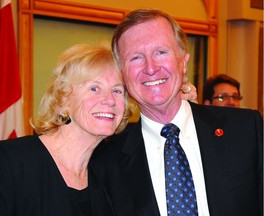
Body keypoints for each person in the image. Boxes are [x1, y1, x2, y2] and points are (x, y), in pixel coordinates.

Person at [0, 42, 196, 216]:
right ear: (63, 99)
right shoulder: (6, 162)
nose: (109, 100)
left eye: (118, 91)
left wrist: (173, 101)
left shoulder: (108, 170)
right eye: (94, 88)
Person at [91, 9, 263, 216]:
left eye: (161, 52)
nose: (151, 68)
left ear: (183, 61)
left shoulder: (246, 131)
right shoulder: (105, 161)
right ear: (122, 74)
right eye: (136, 57)